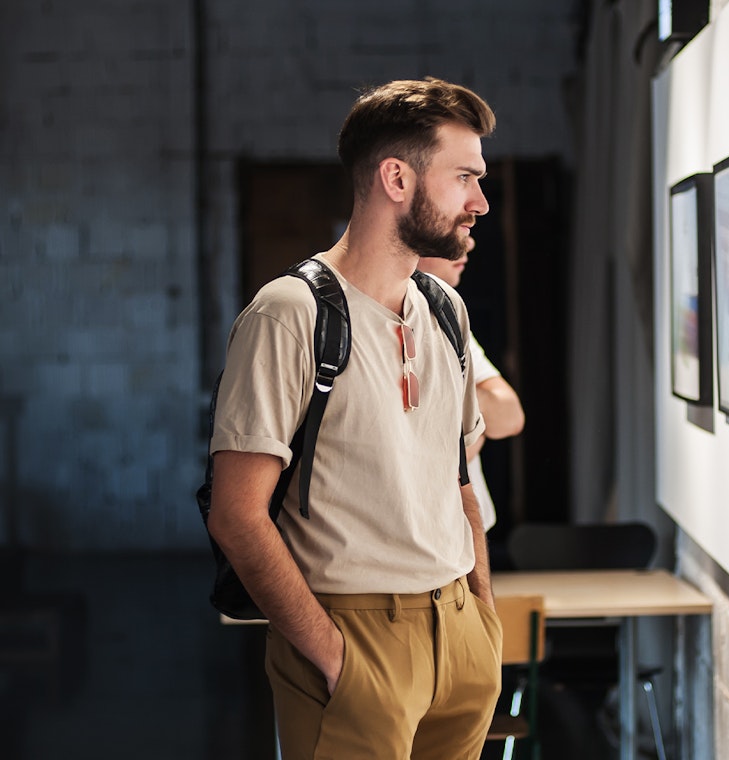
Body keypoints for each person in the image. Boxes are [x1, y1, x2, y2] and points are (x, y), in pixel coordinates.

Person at [206, 78, 502, 760]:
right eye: (464, 177)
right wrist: (335, 657)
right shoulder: (289, 313)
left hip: (458, 635)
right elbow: (237, 515)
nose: (480, 202)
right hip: (351, 637)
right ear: (397, 177)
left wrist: (480, 621)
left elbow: (457, 477)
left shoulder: (446, 312)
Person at [416, 251, 525, 531]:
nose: (470, 244)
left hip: (466, 530)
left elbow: (509, 415)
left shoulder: (446, 317)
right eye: (457, 229)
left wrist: (454, 405)